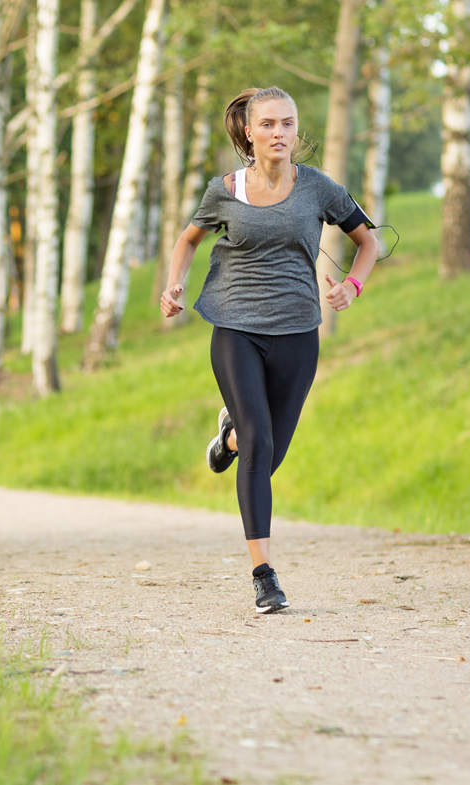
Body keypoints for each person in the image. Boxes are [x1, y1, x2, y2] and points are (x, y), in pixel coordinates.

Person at [160, 86, 379, 613]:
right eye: (269, 124)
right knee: (262, 443)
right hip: (235, 326)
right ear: (249, 133)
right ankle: (264, 575)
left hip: (300, 330)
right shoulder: (226, 189)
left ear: (296, 131)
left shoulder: (319, 188)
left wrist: (350, 287)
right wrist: (174, 284)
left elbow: (368, 242)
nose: (279, 133)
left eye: (288, 123)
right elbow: (188, 239)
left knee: (268, 451)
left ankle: (229, 440)